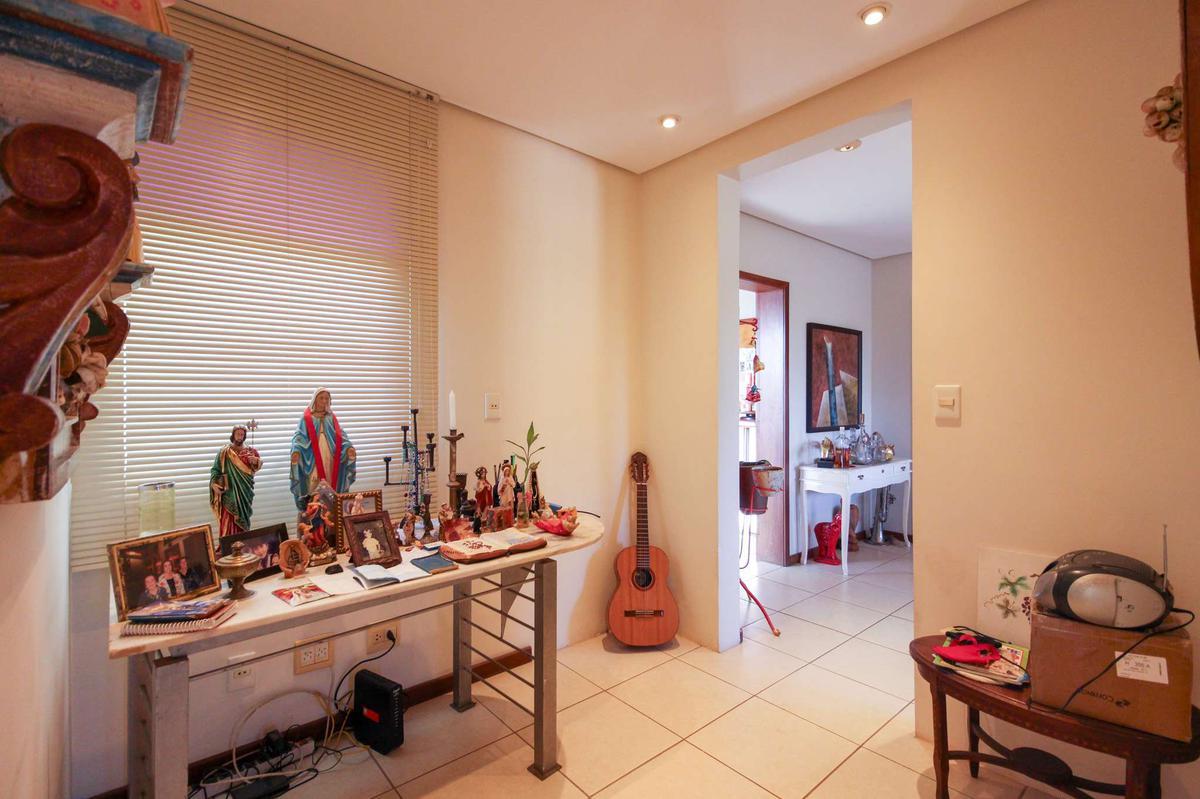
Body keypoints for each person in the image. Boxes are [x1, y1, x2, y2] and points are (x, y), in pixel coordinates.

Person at [290, 389, 356, 509]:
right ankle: (314, 509)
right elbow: (299, 436)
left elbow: (340, 435)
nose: (324, 401)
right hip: (312, 456)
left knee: (330, 478)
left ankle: (330, 508)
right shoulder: (306, 418)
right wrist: (296, 450)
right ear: (315, 400)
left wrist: (348, 447)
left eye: (327, 398)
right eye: (321, 398)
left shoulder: (331, 417)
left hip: (329, 454)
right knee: (314, 481)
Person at [210, 425, 263, 536]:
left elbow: (257, 466)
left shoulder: (250, 451)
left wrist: (255, 461)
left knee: (243, 518)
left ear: (245, 436)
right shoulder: (224, 452)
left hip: (245, 491)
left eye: (242, 435)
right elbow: (215, 469)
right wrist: (214, 484)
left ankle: (243, 541)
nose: (239, 437)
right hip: (229, 492)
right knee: (228, 518)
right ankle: (227, 543)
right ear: (233, 435)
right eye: (237, 434)